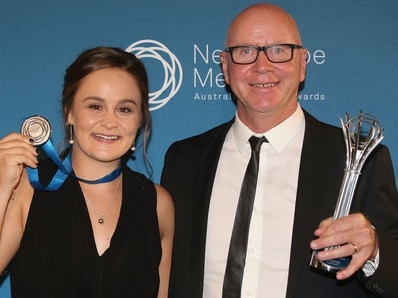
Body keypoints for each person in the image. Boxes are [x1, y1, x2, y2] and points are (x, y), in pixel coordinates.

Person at [161, 3, 398, 297]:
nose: (262, 66)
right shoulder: (184, 159)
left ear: (302, 64)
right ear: (225, 66)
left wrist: (374, 250)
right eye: (246, 51)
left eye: (279, 50)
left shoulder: (361, 160)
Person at [0, 47, 174, 297]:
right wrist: (3, 187)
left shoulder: (158, 204)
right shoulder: (30, 186)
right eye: (95, 106)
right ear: (69, 112)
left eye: (124, 109)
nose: (110, 122)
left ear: (140, 120)